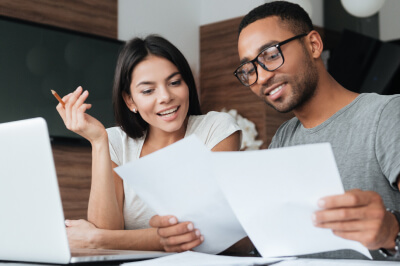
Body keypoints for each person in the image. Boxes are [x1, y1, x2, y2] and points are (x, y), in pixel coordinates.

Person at [233, 1, 400, 261]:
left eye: (271, 55)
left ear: (313, 45)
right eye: (249, 69)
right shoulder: (283, 138)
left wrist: (392, 233)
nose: (262, 77)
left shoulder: (387, 114)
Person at [56, 35, 243, 252]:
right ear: (130, 100)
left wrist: (98, 239)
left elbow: (203, 232)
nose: (165, 97)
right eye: (148, 90)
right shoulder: (116, 141)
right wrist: (98, 142)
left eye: (174, 82)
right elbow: (105, 229)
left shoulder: (216, 129)